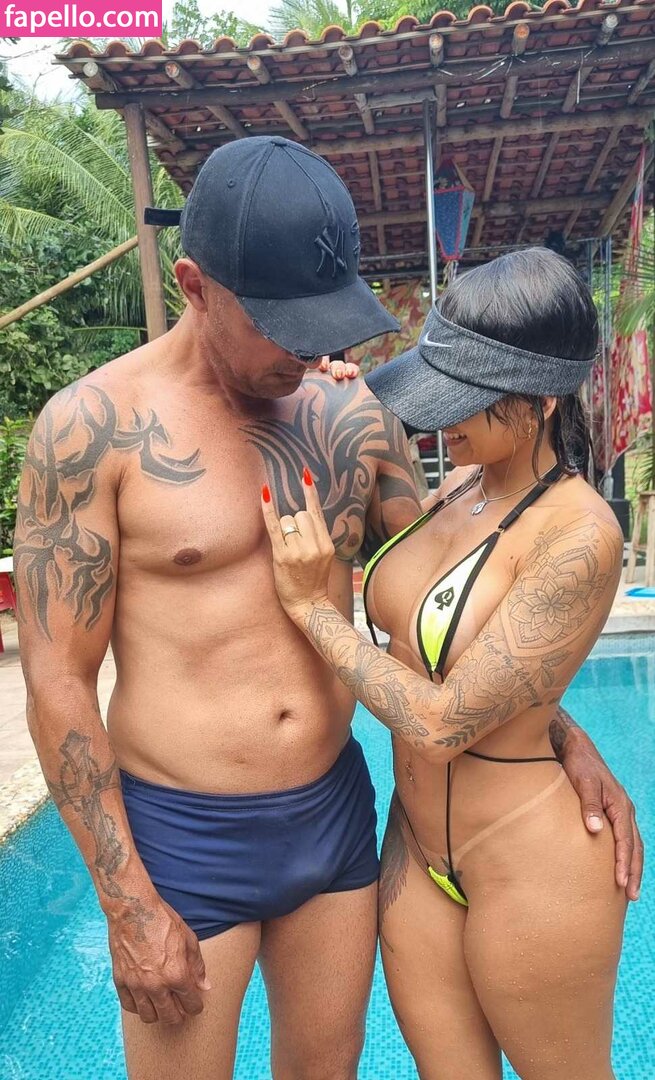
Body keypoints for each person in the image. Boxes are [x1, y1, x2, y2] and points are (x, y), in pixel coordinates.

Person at [14, 134, 639, 1080]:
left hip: (334, 818)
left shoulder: (352, 416)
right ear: (194, 285)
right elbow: (57, 678)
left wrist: (559, 732)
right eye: (280, 323)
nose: (308, 349)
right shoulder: (90, 432)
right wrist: (126, 900)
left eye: (322, 321)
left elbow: (454, 608)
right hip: (187, 833)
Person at [263, 247, 637, 1080]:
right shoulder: (458, 487)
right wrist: (312, 388)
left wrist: (311, 611)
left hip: (528, 861)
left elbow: (438, 722)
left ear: (540, 400)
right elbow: (466, 661)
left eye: (465, 396)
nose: (440, 420)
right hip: (416, 849)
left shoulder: (578, 534)